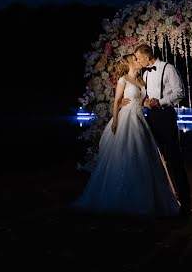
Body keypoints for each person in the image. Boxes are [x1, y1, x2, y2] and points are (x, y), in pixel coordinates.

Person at [72, 53, 180, 218]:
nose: (137, 61)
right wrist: (115, 120)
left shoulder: (142, 80)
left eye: (138, 58)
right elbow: (117, 101)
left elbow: (141, 101)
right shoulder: (123, 79)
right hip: (125, 118)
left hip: (139, 118)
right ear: (129, 62)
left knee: (142, 154)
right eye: (135, 59)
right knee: (123, 152)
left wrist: (148, 103)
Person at [126, 44, 192, 217]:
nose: (137, 60)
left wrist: (160, 102)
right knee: (153, 159)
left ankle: (186, 205)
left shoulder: (168, 68)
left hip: (165, 116)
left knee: (174, 159)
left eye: (139, 57)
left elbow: (180, 92)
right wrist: (143, 102)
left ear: (148, 56)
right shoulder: (145, 73)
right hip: (150, 118)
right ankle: (160, 201)